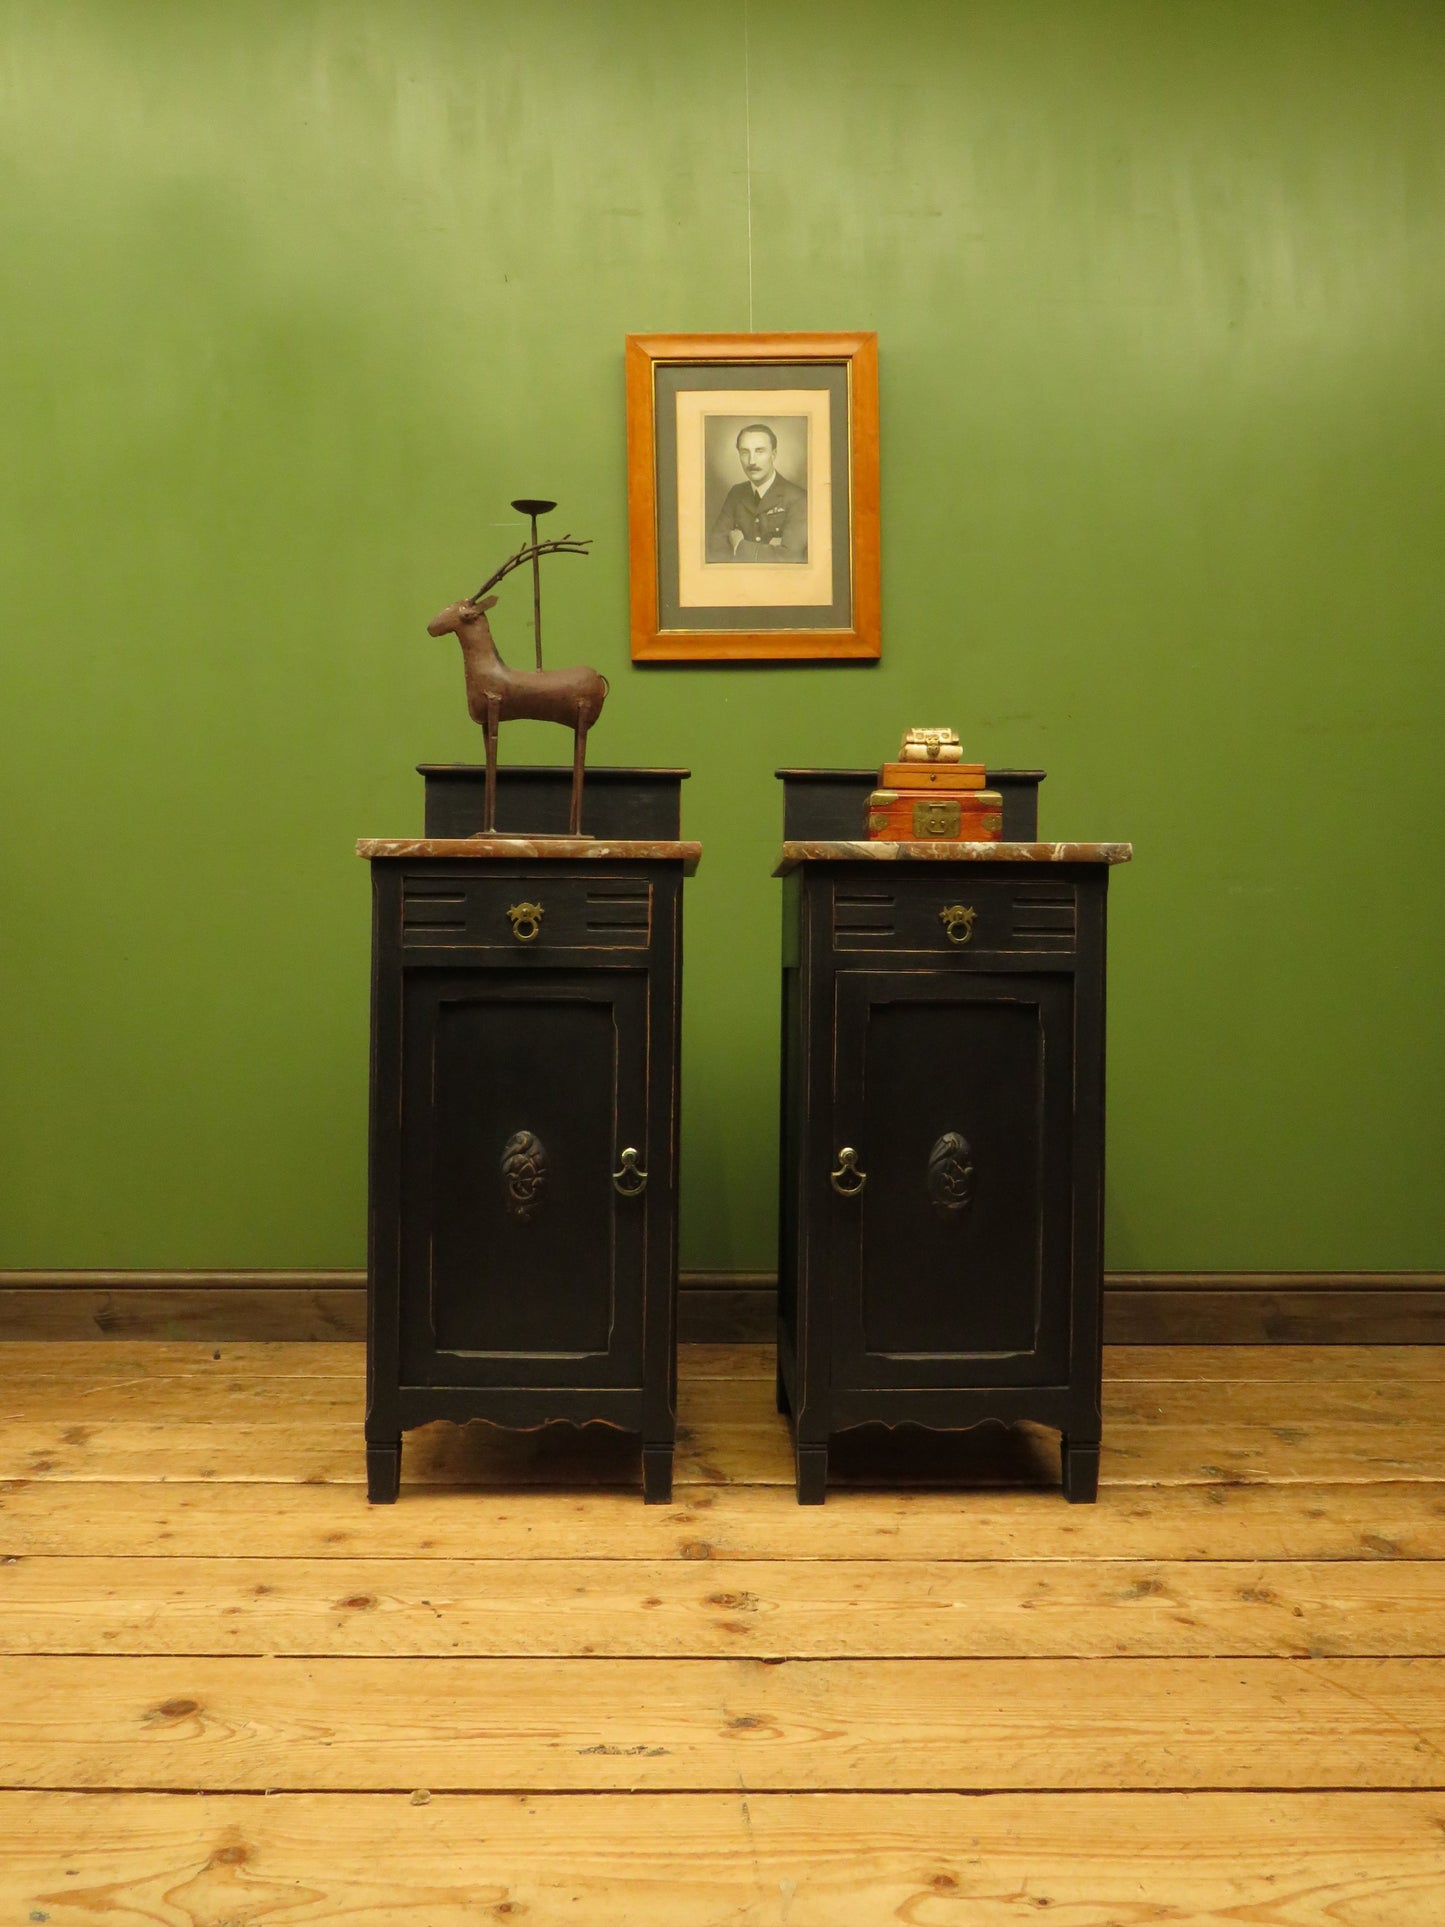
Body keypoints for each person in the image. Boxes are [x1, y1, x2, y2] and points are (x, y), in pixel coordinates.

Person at [707, 423, 808, 562]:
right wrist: (769, 551)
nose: (751, 461)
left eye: (759, 451)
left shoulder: (798, 498)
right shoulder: (736, 493)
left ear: (773, 454)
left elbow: (789, 557)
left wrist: (739, 546)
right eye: (744, 452)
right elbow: (715, 549)